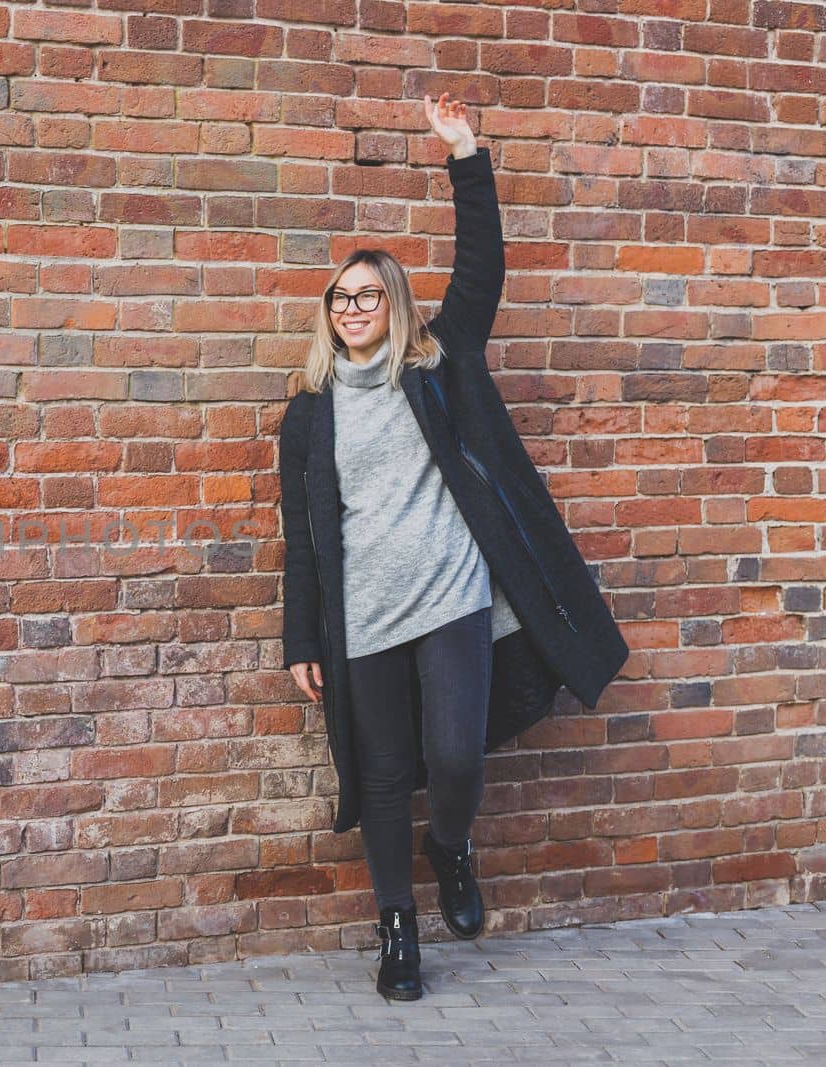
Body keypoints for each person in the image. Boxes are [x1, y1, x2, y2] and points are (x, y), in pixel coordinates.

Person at [278, 95, 628, 1001]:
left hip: (455, 597)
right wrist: (302, 639)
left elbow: (482, 271)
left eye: (367, 294)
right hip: (367, 616)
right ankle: (398, 930)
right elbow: (304, 538)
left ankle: (453, 845)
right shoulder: (309, 415)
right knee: (386, 773)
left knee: (459, 755)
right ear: (329, 313)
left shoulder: (439, 363)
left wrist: (466, 154)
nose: (352, 307)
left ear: (392, 303)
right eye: (339, 298)